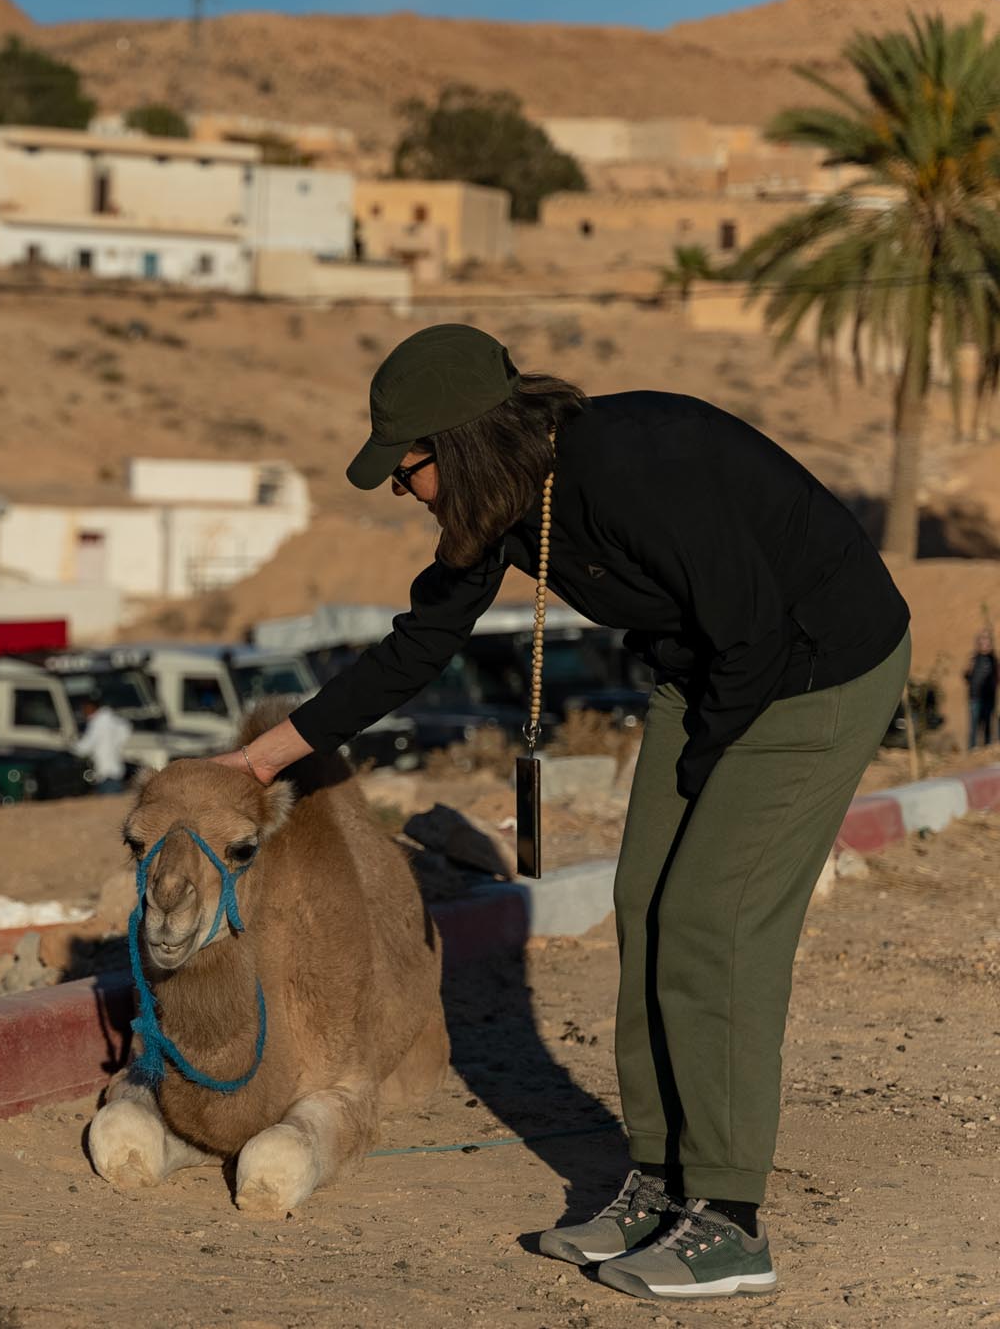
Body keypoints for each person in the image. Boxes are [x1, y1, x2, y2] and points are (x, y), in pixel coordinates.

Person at [218, 324, 909, 1302]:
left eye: (403, 470)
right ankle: (660, 1178)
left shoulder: (632, 466)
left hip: (814, 670)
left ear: (452, 447)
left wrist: (712, 784)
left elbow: (753, 630)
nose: (398, 492)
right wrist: (257, 759)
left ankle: (724, 1220)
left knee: (710, 919)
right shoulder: (500, 508)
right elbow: (412, 651)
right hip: (709, 674)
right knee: (644, 902)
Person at [72, 698, 134, 795]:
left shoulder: (97, 723)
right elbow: (126, 732)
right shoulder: (115, 720)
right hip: (116, 770)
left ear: (91, 708)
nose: (83, 712)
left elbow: (85, 746)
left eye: (84, 709)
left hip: (105, 773)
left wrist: (71, 747)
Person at [966, 630, 996, 750]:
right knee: (974, 725)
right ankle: (972, 749)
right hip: (975, 697)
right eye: (982, 641)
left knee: (988, 723)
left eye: (987, 641)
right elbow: (966, 675)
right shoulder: (974, 658)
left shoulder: (993, 660)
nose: (985, 644)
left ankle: (987, 748)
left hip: (989, 697)